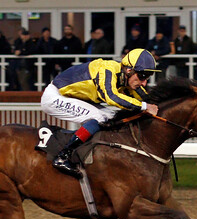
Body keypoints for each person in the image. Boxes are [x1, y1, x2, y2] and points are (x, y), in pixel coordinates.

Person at [40, 48, 160, 178]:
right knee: (99, 117)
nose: (144, 82)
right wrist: (144, 106)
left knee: (111, 116)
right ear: (128, 70)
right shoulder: (107, 70)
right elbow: (111, 97)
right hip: (55, 97)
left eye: (147, 77)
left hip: (72, 96)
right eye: (142, 76)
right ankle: (63, 156)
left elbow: (146, 100)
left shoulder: (126, 77)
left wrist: (155, 106)